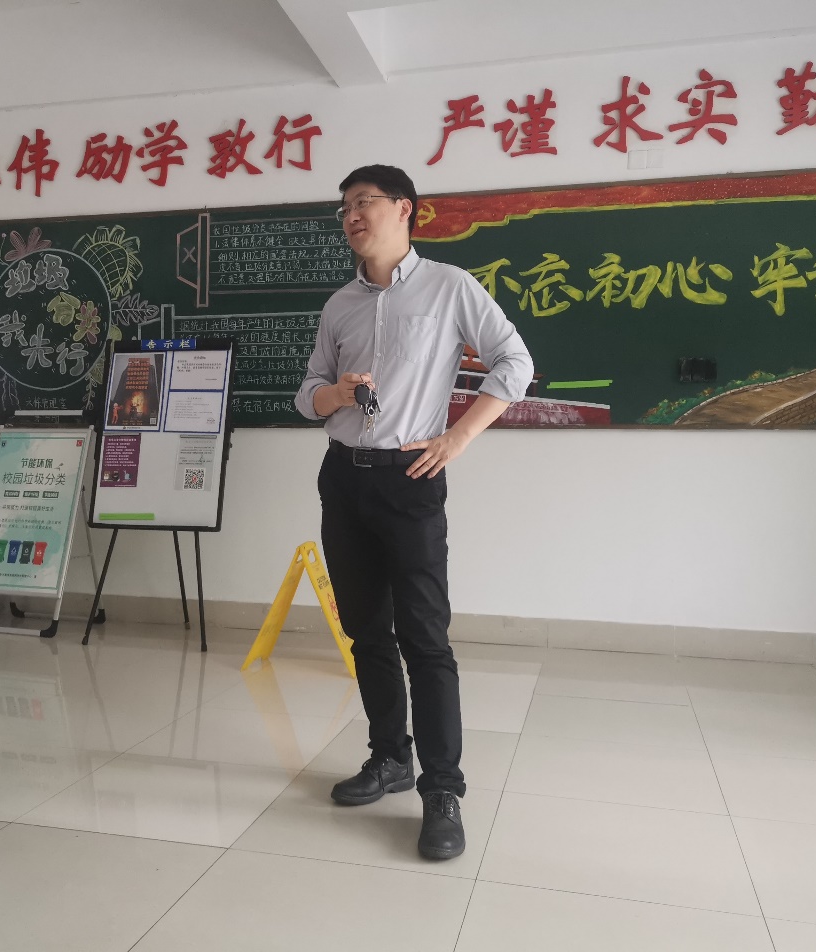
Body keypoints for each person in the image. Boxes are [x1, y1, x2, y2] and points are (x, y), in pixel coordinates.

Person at [295, 165, 533, 860]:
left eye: (363, 202)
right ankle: (389, 757)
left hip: (411, 479)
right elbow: (308, 392)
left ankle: (442, 790)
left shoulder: (449, 286)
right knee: (366, 632)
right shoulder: (339, 304)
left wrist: (458, 437)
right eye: (344, 207)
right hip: (344, 477)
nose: (351, 216)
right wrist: (335, 395)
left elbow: (514, 361)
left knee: (426, 638)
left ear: (404, 209)